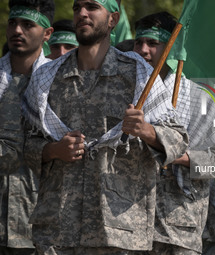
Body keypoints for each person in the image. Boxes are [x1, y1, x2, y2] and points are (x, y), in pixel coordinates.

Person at [22, 0, 188, 254]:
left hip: (119, 231)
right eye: (77, 7)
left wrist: (145, 130)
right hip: (57, 232)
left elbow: (178, 139)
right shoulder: (47, 76)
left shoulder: (139, 74)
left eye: (92, 6)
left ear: (113, 19)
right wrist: (55, 150)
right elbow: (24, 143)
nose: (82, 13)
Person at [134, 12, 215, 254]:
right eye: (139, 42)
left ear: (172, 48)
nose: (144, 50)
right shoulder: (121, 91)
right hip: (127, 229)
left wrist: (176, 153)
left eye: (153, 43)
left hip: (177, 231)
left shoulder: (199, 98)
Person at [0, 0, 54, 254]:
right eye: (13, 23)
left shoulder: (60, 83)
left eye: (27, 24)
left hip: (42, 226)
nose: (17, 30)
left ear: (47, 33)